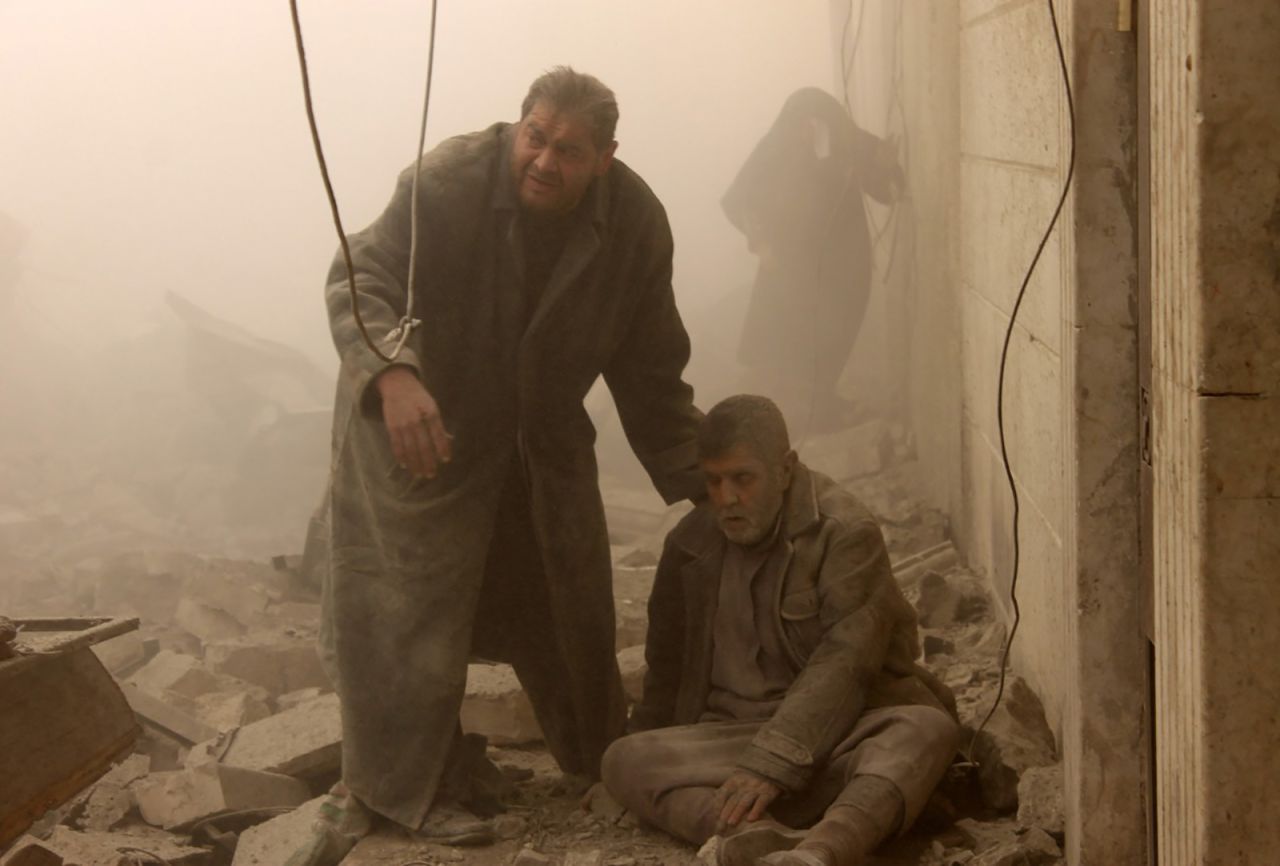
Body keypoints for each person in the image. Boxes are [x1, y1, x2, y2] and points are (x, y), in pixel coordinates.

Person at [314, 67, 704, 846]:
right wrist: (392, 372)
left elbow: (651, 370)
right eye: (536, 136)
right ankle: (399, 793)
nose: (545, 161)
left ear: (604, 157)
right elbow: (361, 274)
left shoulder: (633, 223)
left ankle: (599, 763)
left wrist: (709, 481)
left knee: (569, 598)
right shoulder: (448, 182)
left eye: (569, 148)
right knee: (406, 610)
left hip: (538, 438)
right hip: (419, 425)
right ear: (517, 125)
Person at [601, 395, 957, 866]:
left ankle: (824, 849)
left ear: (785, 469)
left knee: (925, 728)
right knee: (623, 759)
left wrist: (771, 764)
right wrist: (625, 768)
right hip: (728, 741)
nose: (726, 498)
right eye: (713, 481)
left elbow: (846, 664)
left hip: (837, 732)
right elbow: (665, 669)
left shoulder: (844, 532)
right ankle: (759, 840)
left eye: (743, 479)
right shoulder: (690, 543)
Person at [721, 89, 902, 432]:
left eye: (816, 124)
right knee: (792, 337)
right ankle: (800, 412)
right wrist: (761, 244)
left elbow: (886, 188)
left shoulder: (847, 141)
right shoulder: (775, 148)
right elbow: (739, 199)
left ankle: (822, 404)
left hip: (844, 266)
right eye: (802, 124)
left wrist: (884, 166)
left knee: (835, 332)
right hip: (790, 266)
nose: (809, 131)